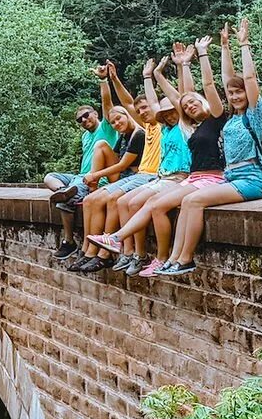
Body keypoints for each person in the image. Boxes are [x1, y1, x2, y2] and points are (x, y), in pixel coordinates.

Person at [88, 36, 226, 277]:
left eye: (191, 104)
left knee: (151, 205)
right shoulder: (179, 126)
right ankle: (123, 244)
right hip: (183, 178)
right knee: (138, 203)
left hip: (185, 177)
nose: (186, 107)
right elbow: (160, 102)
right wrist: (153, 76)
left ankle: (154, 255)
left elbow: (190, 92)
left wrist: (186, 64)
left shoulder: (205, 122)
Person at [157, 18, 262, 277]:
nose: (235, 96)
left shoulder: (254, 114)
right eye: (231, 94)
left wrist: (243, 44)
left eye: (239, 93)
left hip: (251, 179)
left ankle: (186, 258)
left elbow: (250, 78)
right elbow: (218, 82)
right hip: (231, 178)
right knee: (187, 200)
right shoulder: (230, 117)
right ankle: (174, 259)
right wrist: (221, 48)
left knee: (195, 200)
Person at [70, 61, 164, 273]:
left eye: (119, 118)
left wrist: (113, 79)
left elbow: (126, 104)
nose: (116, 123)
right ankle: (88, 250)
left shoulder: (146, 128)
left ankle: (106, 253)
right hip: (132, 176)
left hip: (145, 176)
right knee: (90, 200)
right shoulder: (125, 135)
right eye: (112, 122)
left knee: (114, 200)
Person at [44, 64, 120, 258]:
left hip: (95, 179)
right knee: (49, 176)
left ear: (95, 114)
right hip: (79, 177)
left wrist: (103, 80)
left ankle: (69, 242)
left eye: (86, 116)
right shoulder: (85, 137)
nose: (84, 120)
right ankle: (63, 191)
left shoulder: (106, 129)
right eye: (80, 120)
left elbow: (107, 103)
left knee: (64, 204)